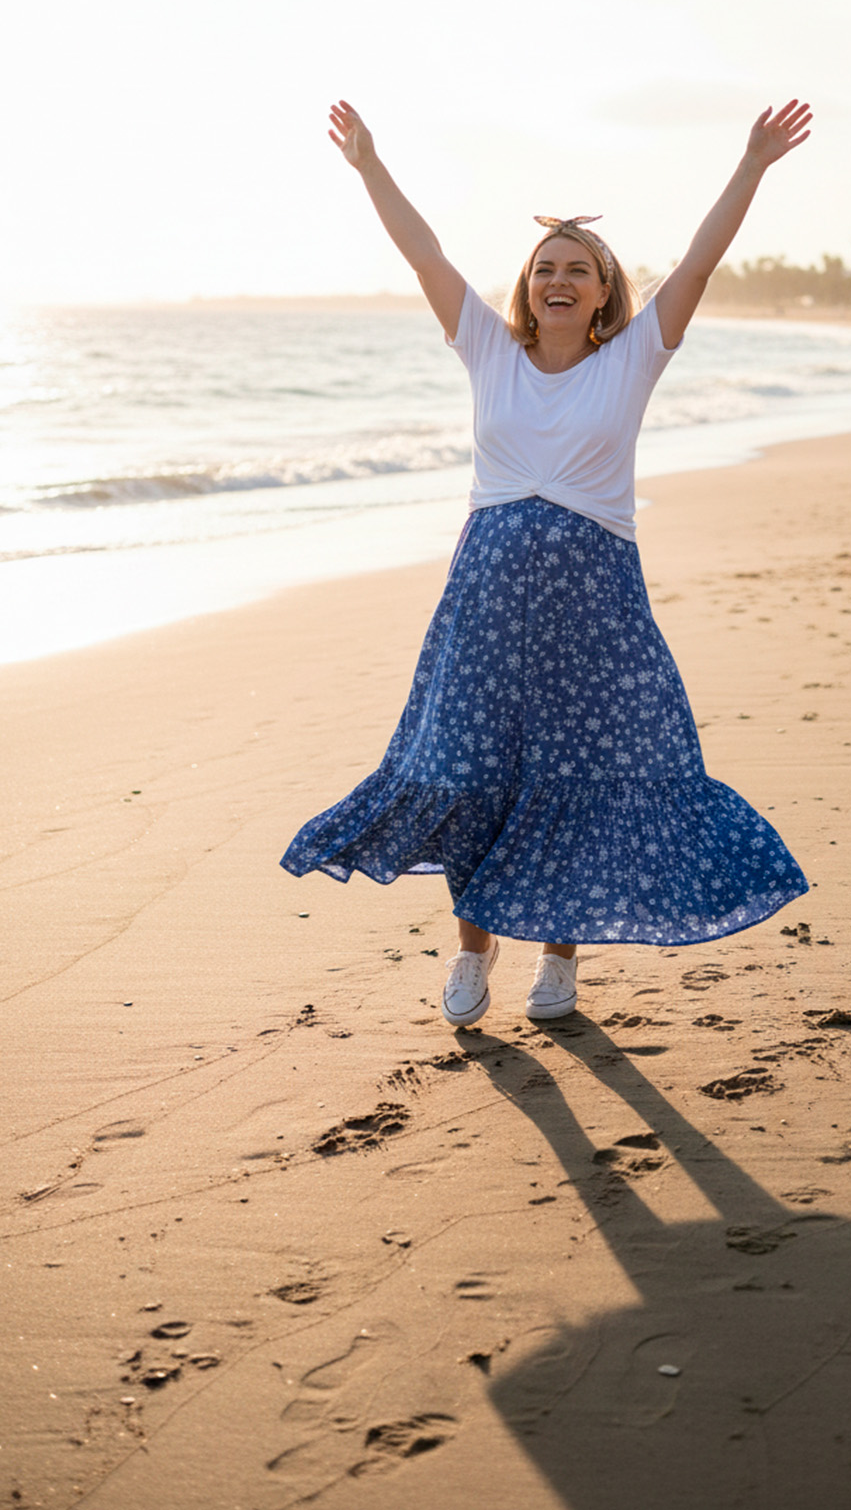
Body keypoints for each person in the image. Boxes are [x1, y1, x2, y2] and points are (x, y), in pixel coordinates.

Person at [281, 97, 813, 1028]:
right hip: (485, 602)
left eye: (577, 270)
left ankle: (560, 962)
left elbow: (698, 262)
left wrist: (752, 165)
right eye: (544, 269)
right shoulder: (488, 350)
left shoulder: (634, 359)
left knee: (575, 781)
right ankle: (472, 950)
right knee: (472, 774)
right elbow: (425, 255)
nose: (558, 281)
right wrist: (369, 166)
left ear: (605, 292)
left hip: (595, 608)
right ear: (525, 289)